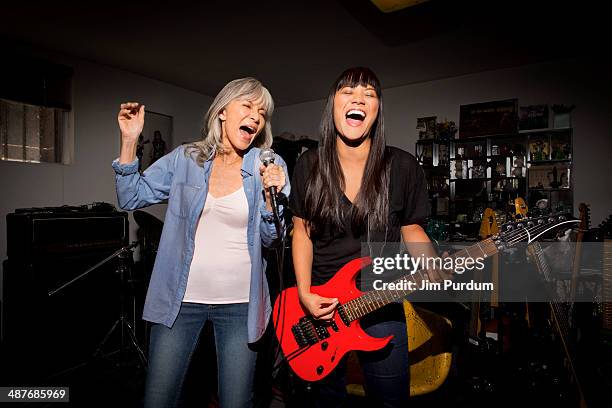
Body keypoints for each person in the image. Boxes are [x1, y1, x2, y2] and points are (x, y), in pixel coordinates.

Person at [112, 77, 289, 408]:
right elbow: (131, 195)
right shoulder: (185, 159)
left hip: (240, 307)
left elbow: (273, 239)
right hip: (180, 304)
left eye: (262, 113)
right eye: (247, 106)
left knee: (236, 401)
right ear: (223, 111)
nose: (256, 116)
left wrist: (271, 199)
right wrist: (129, 140)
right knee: (158, 399)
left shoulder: (267, 164)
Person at [289, 67, 447, 407]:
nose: (358, 97)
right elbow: (301, 231)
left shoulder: (403, 166)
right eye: (348, 91)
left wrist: (432, 263)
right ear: (332, 105)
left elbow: (411, 227)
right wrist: (303, 294)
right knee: (326, 401)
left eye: (369, 94)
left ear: (376, 111)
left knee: (390, 400)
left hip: (382, 300)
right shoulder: (309, 164)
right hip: (323, 307)